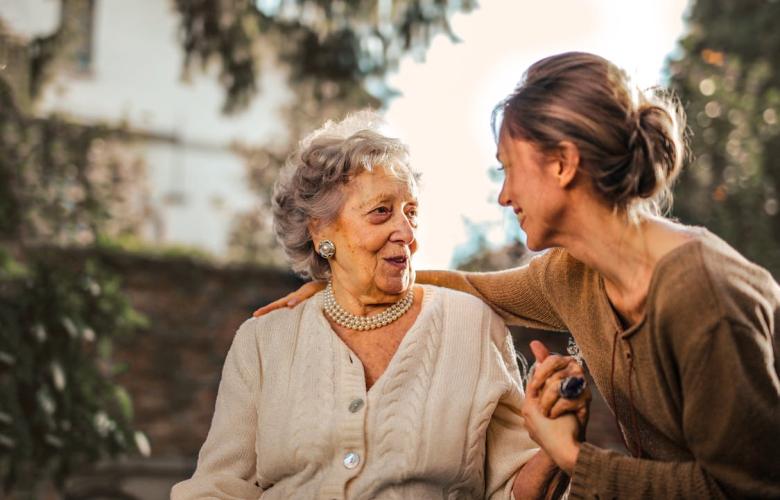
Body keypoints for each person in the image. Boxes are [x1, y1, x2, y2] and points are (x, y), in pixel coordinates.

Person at [255, 53, 780, 499]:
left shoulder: (702, 296)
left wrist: (572, 455)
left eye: (508, 167)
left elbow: (747, 488)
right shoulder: (573, 275)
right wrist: (344, 279)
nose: (504, 195)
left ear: (563, 164)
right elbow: (469, 287)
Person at [172, 112, 589, 499]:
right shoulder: (264, 341)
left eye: (411, 212)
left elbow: (512, 489)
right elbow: (219, 486)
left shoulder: (472, 326)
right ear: (321, 232)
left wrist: (556, 449)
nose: (406, 232)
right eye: (381, 213)